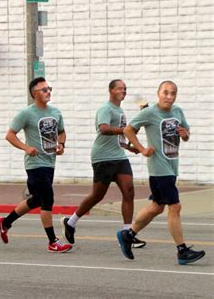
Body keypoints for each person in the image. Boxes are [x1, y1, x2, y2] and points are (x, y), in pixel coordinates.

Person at [117, 80, 205, 265]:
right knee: (175, 206)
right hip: (159, 169)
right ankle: (182, 251)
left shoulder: (178, 111)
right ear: (159, 93)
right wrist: (142, 149)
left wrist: (185, 134)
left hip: (172, 166)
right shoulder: (149, 113)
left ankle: (128, 235)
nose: (169, 97)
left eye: (173, 93)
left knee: (157, 206)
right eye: (166, 92)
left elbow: (186, 133)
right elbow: (128, 129)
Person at [60, 80, 146, 249]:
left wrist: (129, 147)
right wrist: (126, 130)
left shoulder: (120, 111)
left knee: (129, 191)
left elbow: (118, 138)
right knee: (97, 196)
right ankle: (70, 222)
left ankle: (127, 233)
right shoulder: (105, 109)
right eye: (120, 88)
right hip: (103, 157)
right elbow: (104, 129)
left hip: (119, 156)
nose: (124, 91)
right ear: (111, 90)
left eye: (125, 88)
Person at [0, 77, 72, 253]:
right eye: (44, 90)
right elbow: (10, 135)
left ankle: (5, 222)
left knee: (37, 199)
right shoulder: (26, 113)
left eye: (49, 88)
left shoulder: (56, 112)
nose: (48, 92)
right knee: (47, 199)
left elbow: (61, 133)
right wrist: (26, 147)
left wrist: (61, 145)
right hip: (35, 163)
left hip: (50, 162)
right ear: (34, 94)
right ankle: (53, 241)